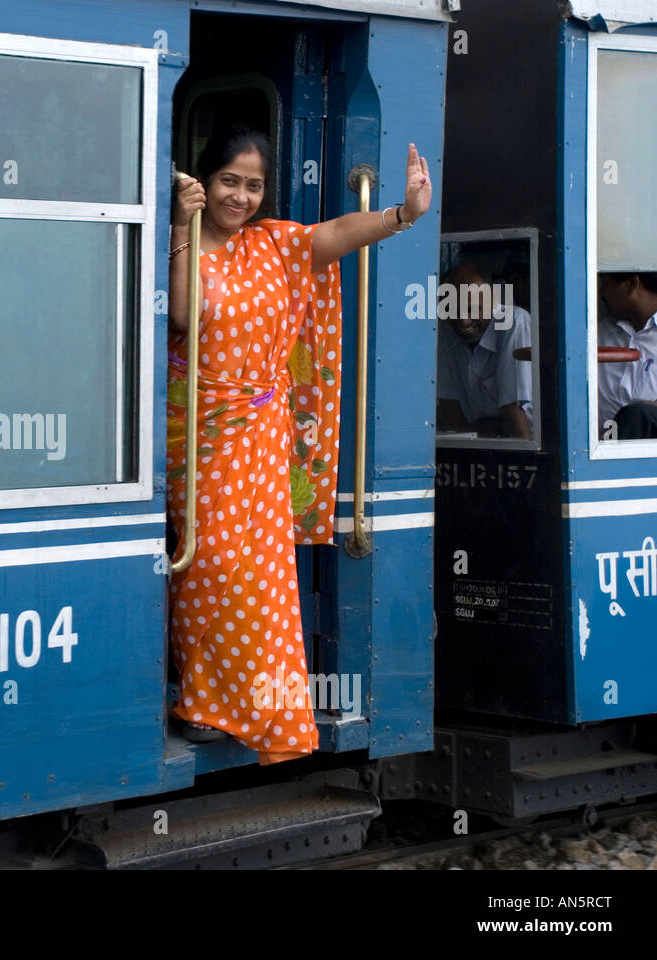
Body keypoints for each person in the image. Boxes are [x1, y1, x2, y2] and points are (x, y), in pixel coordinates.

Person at [167, 125, 432, 763]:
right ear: (206, 181)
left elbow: (337, 234)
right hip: (197, 439)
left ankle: (253, 709)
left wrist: (402, 215)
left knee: (262, 580)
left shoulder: (273, 246)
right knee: (209, 567)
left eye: (254, 185)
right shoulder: (184, 245)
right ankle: (200, 700)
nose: (241, 197)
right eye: (230, 181)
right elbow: (180, 315)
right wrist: (182, 223)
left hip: (260, 440)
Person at [436, 262, 533, 439]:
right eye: (454, 311)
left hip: (524, 440)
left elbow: (514, 410)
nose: (464, 322)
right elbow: (450, 411)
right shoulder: (444, 329)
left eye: (473, 309)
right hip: (478, 442)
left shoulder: (514, 321)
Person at [597, 271, 657, 440]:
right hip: (596, 454)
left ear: (632, 283)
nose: (601, 292)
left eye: (605, 283)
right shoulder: (596, 335)